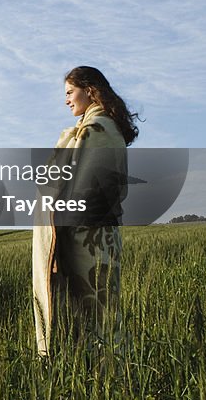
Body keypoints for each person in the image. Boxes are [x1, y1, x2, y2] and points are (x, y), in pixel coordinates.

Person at [32, 66, 140, 357]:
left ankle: (106, 382)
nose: (66, 100)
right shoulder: (101, 128)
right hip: (97, 235)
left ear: (89, 90)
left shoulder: (96, 130)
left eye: (70, 92)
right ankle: (105, 379)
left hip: (88, 239)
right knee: (98, 313)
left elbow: (72, 186)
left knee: (96, 314)